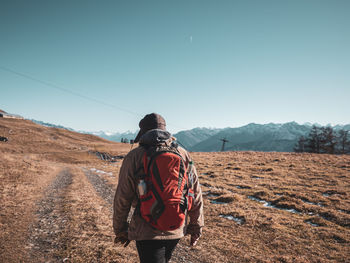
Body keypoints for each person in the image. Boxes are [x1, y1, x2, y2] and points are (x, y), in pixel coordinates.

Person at [113, 113, 204, 263]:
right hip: (176, 225)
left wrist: (120, 229)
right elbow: (194, 192)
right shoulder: (183, 154)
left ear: (142, 133)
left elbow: (123, 197)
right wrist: (196, 225)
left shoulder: (134, 156)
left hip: (146, 228)